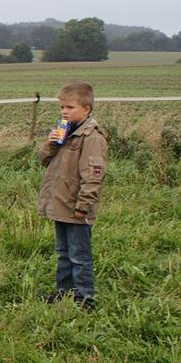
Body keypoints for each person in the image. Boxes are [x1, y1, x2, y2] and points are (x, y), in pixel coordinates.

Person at [38, 81, 108, 312]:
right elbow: (45, 160)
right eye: (62, 108)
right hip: (60, 204)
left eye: (70, 107)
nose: (64, 112)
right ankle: (64, 292)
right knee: (63, 254)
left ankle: (85, 299)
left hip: (76, 207)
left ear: (86, 109)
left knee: (79, 255)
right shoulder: (66, 133)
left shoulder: (92, 138)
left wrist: (84, 204)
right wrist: (52, 143)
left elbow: (93, 176)